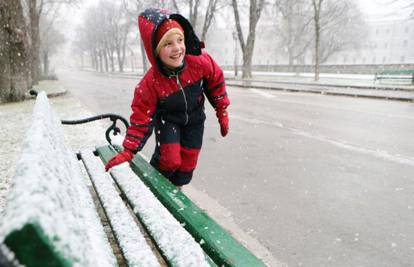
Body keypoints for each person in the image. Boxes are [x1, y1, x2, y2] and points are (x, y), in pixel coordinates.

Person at [104, 8, 230, 188]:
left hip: (195, 120)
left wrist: (222, 109)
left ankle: (176, 192)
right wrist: (129, 151)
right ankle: (155, 188)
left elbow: (215, 80)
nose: (177, 48)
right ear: (155, 50)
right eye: (168, 44)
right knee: (170, 160)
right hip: (169, 121)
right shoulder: (151, 83)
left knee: (188, 163)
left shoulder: (199, 61)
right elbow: (141, 118)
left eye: (180, 40)